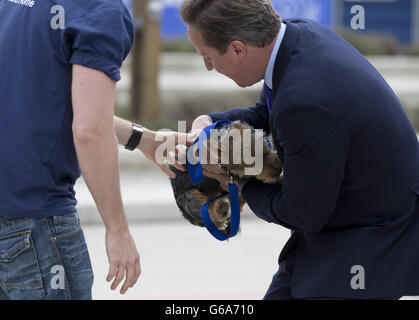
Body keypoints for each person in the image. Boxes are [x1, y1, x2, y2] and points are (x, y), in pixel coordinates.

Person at [180, 0, 419, 299]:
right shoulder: (296, 36)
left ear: (239, 49)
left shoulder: (304, 100)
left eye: (208, 57)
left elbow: (302, 213)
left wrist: (238, 184)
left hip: (368, 242)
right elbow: (268, 113)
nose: (208, 66)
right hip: (336, 224)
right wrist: (211, 122)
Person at [0, 0, 186, 300]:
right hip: (36, 224)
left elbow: (52, 105)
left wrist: (143, 140)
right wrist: (118, 229)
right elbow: (89, 130)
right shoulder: (102, 7)